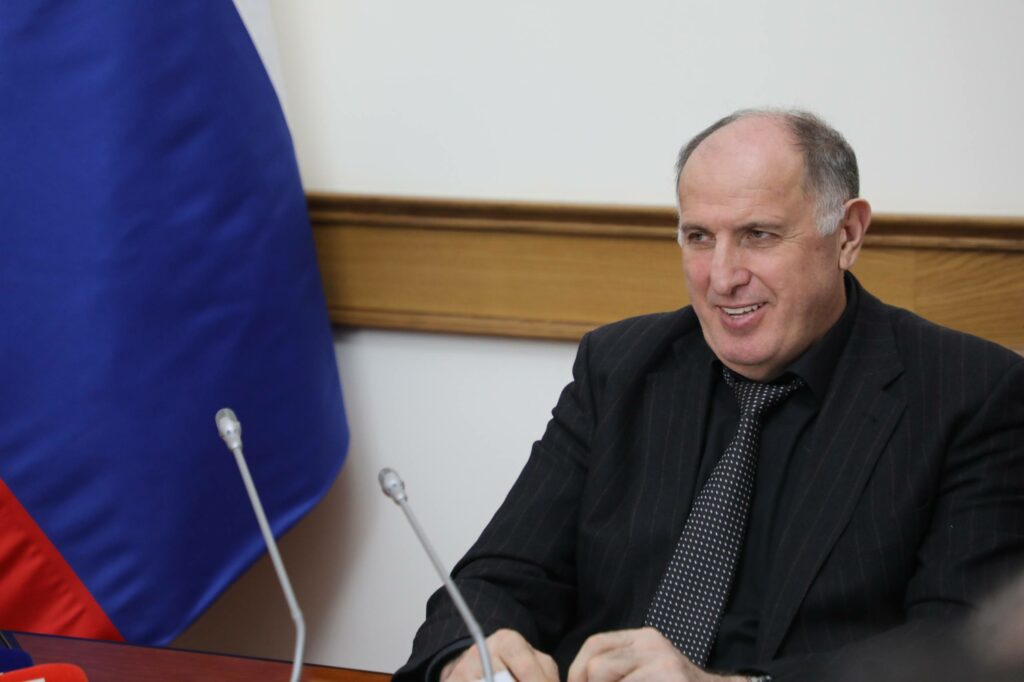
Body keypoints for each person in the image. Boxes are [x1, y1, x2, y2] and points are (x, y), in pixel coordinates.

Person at [394, 109, 1024, 682]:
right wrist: (468, 655)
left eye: (759, 235)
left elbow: (960, 652)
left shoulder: (971, 393)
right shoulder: (619, 366)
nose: (722, 277)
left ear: (848, 234)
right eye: (698, 236)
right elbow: (500, 576)